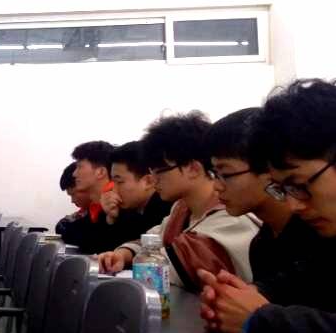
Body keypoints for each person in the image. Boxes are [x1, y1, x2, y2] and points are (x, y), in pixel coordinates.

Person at [199, 79, 336, 333]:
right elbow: (304, 283)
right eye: (283, 189)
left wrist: (260, 320)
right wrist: (240, 296)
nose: (294, 205)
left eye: (300, 185)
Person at [98, 112, 259, 289]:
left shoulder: (233, 214)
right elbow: (152, 240)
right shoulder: (181, 208)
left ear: (193, 169)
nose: (153, 179)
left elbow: (176, 264)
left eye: (159, 170)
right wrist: (123, 254)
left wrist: (137, 256)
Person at [205, 107, 336, 307]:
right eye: (214, 174)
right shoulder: (262, 244)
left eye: (225, 174)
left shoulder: (326, 234)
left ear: (270, 170)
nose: (217, 186)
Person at [100, 140, 172, 247]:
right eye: (113, 182)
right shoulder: (127, 208)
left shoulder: (167, 209)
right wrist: (111, 218)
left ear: (148, 181)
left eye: (119, 182)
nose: (113, 190)